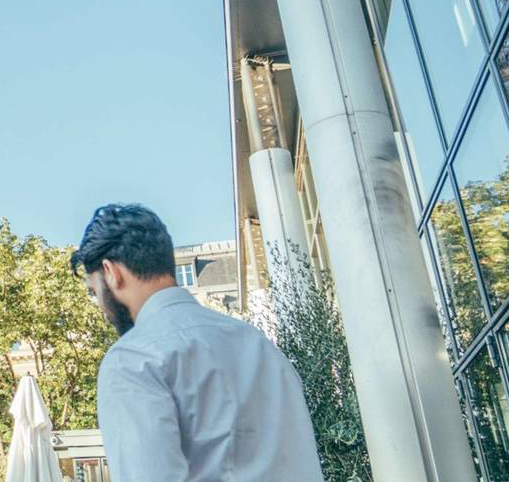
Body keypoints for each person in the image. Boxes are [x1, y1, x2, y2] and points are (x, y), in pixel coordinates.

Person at [70, 203, 324, 482]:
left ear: (111, 272)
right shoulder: (260, 346)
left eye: (94, 292)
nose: (101, 307)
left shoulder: (132, 360)